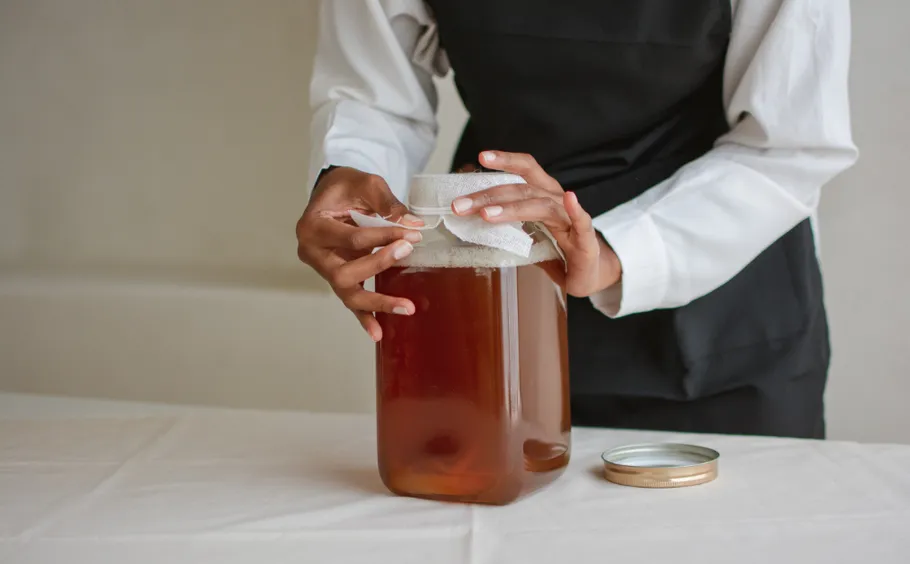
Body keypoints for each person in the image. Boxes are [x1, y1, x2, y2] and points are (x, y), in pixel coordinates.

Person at [297, 0, 858, 438]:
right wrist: (350, 178)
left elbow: (787, 143)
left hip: (726, 313)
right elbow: (375, 94)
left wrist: (613, 251)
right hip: (497, 287)